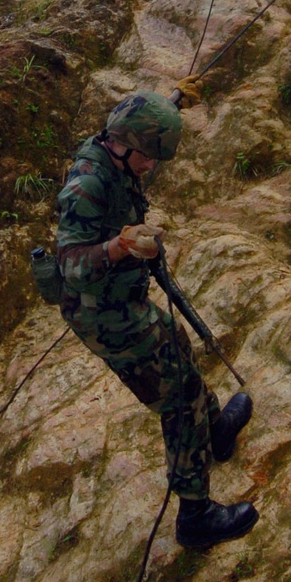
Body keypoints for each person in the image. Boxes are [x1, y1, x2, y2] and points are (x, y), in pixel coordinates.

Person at [54, 86, 257, 548]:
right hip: (102, 312)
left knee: (179, 349)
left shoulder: (121, 141)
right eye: (148, 157)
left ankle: (216, 435)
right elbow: (70, 267)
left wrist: (174, 100)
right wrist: (120, 246)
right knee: (178, 400)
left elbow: (141, 117)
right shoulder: (87, 186)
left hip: (125, 296)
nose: (151, 167)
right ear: (123, 145)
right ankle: (195, 516)